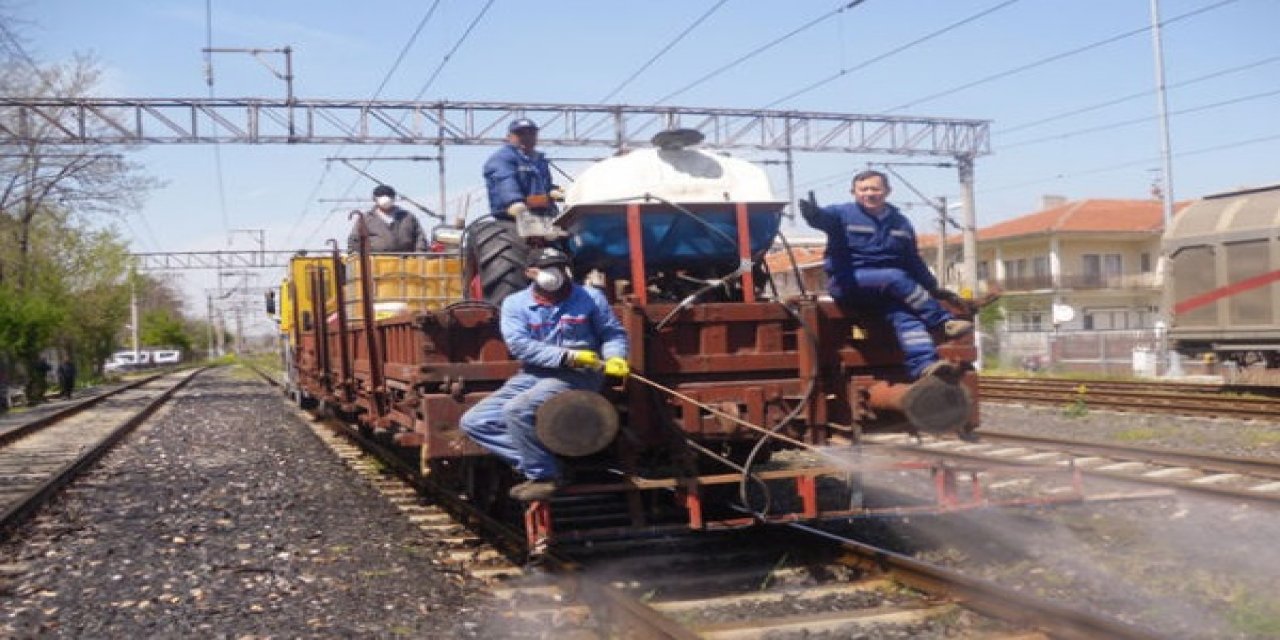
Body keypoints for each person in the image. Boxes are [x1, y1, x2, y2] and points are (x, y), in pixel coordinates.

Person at [460, 247, 629, 501]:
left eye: (560, 267)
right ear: (530, 273)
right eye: (548, 268)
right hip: (534, 373)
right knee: (475, 422)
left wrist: (616, 356)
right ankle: (545, 465)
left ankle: (545, 476)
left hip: (580, 375)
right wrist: (567, 356)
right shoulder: (515, 303)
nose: (555, 274)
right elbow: (519, 345)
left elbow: (611, 333)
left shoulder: (590, 297)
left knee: (516, 411)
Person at [799, 170, 972, 380]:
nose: (870, 193)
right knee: (894, 277)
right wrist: (814, 215)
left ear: (887, 191)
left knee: (907, 317)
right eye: (863, 189)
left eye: (875, 189)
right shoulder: (841, 214)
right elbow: (823, 219)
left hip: (886, 291)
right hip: (849, 283)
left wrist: (932, 286)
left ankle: (924, 365)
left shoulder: (901, 223)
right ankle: (943, 322)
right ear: (853, 192)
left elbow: (912, 260)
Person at [483, 118, 563, 220]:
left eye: (531, 133)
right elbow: (505, 180)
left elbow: (543, 185)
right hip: (512, 218)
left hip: (544, 215)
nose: (527, 137)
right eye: (521, 134)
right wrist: (514, 201)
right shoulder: (502, 158)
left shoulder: (539, 160)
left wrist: (552, 191)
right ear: (509, 137)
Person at [347, 184, 429, 253]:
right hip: (376, 263)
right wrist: (359, 258)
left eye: (388, 196)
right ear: (374, 199)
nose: (385, 199)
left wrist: (420, 254)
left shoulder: (408, 217)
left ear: (393, 198)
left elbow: (420, 237)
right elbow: (354, 240)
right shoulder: (366, 218)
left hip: (406, 263)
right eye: (381, 196)